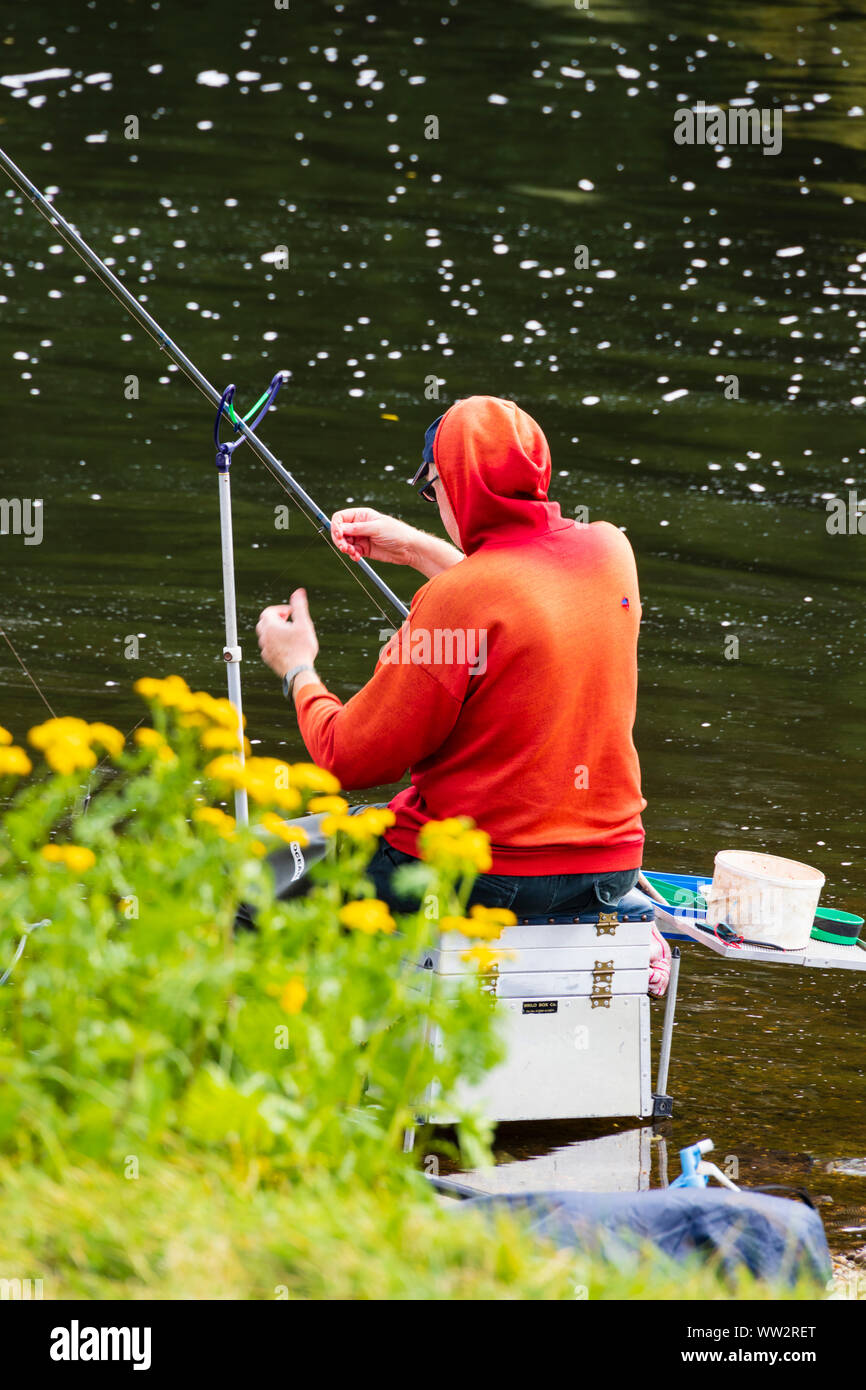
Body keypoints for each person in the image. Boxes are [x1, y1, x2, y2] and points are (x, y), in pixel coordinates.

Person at [256, 395, 646, 917]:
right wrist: (418, 549)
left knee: (257, 871)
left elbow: (346, 755)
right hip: (606, 869)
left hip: (482, 874)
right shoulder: (611, 552)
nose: (434, 500)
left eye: (431, 487)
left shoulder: (457, 598)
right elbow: (524, 602)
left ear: (456, 486)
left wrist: (297, 668)